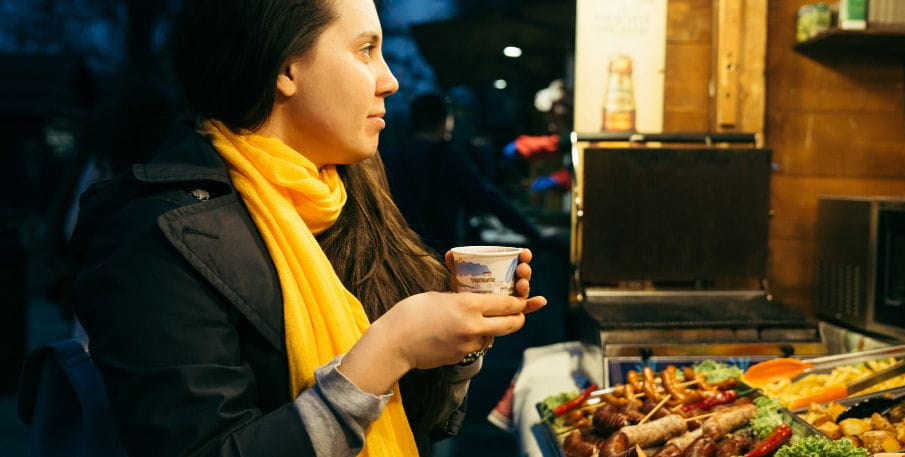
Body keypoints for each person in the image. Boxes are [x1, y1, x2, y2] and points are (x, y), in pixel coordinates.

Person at [69, 1, 547, 456]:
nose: (391, 80)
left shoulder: (345, 190)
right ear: (285, 69)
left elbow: (412, 422)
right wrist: (390, 348)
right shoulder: (157, 235)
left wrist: (458, 345)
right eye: (366, 50)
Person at [382, 94, 543, 255]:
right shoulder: (449, 156)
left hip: (400, 252)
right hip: (442, 253)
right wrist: (534, 233)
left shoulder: (391, 156)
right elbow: (487, 198)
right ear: (445, 121)